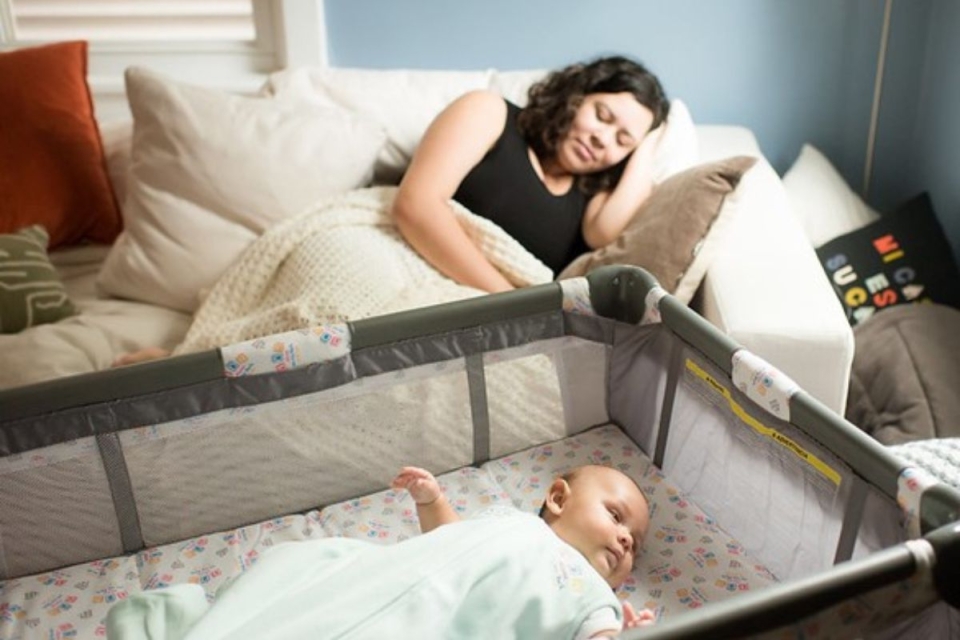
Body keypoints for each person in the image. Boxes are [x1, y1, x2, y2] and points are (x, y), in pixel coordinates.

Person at [106, 464, 655, 639]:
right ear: (557, 498)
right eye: (616, 515)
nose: (627, 539)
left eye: (634, 545)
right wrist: (434, 499)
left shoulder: (591, 595)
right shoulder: (507, 518)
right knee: (302, 571)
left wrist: (629, 630)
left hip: (434, 623)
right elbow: (446, 539)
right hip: (384, 578)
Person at [392, 55, 670, 293]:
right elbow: (415, 205)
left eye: (622, 141)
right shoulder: (488, 112)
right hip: (401, 263)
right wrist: (508, 301)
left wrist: (646, 144)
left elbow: (604, 234)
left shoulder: (593, 200)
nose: (603, 139)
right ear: (576, 95)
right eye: (602, 116)